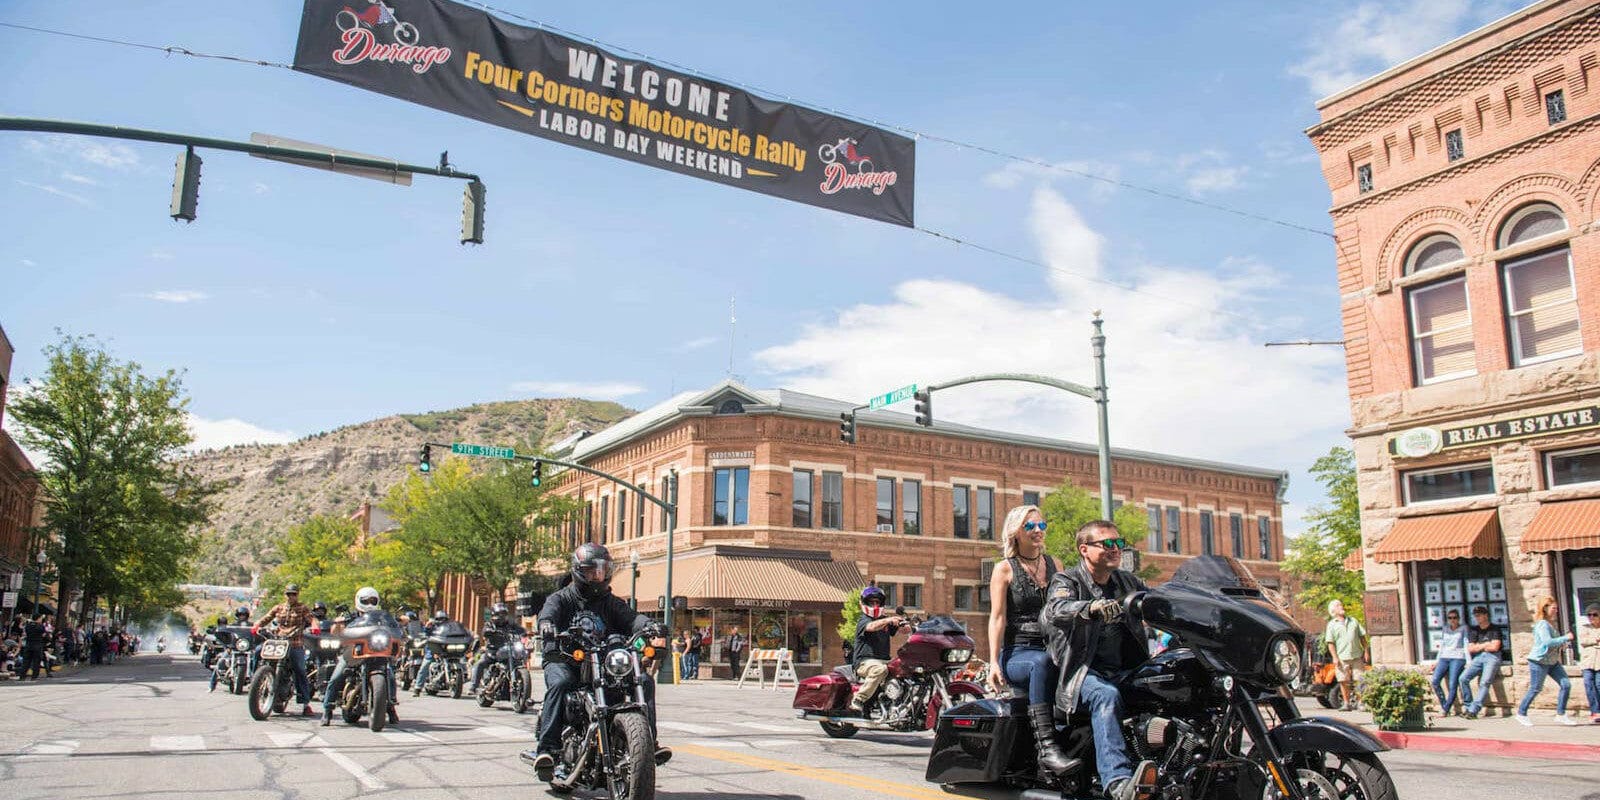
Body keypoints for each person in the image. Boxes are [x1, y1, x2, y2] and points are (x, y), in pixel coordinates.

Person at [523, 542, 668, 780]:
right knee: (561, 684)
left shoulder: (611, 602)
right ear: (578, 571)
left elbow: (631, 619)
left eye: (602, 570)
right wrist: (547, 625)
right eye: (592, 571)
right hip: (567, 658)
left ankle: (648, 743)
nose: (598, 576)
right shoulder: (562, 598)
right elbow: (548, 614)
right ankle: (547, 748)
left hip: (602, 661)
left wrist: (650, 625)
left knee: (643, 681)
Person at [1041, 520, 1156, 800]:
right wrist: (1089, 607)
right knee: (1106, 696)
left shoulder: (1127, 581)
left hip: (1125, 670)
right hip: (1082, 675)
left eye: (1119, 543)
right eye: (1107, 544)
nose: (1115, 549)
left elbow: (1157, 601)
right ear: (1084, 549)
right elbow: (1057, 608)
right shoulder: (1067, 581)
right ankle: (1117, 782)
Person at [985, 504, 1071, 775]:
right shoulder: (1004, 569)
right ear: (1015, 532)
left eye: (1041, 526)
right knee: (1041, 663)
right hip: (1017, 652)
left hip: (1054, 647)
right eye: (1030, 526)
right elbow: (997, 618)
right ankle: (1047, 749)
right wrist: (993, 663)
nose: (1037, 531)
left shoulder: (1056, 565)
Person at [321, 586, 399, 726]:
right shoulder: (349, 617)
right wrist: (338, 624)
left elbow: (395, 626)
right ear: (358, 601)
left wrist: (400, 624)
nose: (369, 603)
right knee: (336, 676)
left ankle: (390, 707)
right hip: (353, 652)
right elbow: (335, 632)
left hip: (377, 651)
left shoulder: (381, 617)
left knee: (391, 675)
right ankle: (327, 710)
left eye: (372, 600)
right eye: (366, 600)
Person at [254, 584, 316, 716]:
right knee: (258, 652)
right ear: (285, 595)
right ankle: (255, 681)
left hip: (295, 643)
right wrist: (257, 625)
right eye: (288, 594)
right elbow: (267, 618)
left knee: (300, 670)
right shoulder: (279, 607)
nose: (291, 597)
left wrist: (315, 626)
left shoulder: (302, 608)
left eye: (293, 594)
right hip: (278, 642)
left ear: (297, 594)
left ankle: (306, 704)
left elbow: (312, 619)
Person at [1516, 595, 1579, 726]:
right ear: (1545, 608)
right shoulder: (1542, 624)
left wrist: (1561, 644)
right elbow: (1547, 642)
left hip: (1552, 661)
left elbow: (1551, 643)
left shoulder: (1550, 624)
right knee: (1535, 688)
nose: (1556, 610)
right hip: (1539, 661)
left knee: (1565, 684)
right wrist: (1565, 637)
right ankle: (1521, 713)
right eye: (1553, 608)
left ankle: (1561, 714)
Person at [850, 585, 907, 712]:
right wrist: (889, 619)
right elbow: (871, 627)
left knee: (907, 668)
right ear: (865, 603)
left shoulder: (884, 620)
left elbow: (904, 631)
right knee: (879, 669)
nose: (875, 605)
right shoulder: (864, 620)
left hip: (885, 660)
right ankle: (859, 698)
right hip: (864, 662)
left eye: (877, 602)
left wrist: (906, 624)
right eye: (872, 602)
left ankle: (900, 702)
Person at [469, 602, 524, 693]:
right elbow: (485, 631)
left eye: (504, 614)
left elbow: (520, 630)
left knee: (518, 660)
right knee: (480, 663)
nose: (502, 616)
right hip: (493, 651)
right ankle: (473, 686)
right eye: (499, 614)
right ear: (494, 615)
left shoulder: (510, 624)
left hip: (508, 650)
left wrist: (523, 632)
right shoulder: (490, 624)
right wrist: (490, 631)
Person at [1323, 600, 1367, 711]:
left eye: (1341, 604)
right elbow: (1330, 643)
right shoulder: (1332, 625)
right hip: (1342, 657)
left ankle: (1361, 703)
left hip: (1357, 655)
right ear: (1333, 611)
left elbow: (1362, 637)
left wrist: (1366, 651)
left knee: (1360, 679)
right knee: (1343, 680)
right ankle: (1346, 703)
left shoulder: (1353, 621)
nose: (1341, 606)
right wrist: (1335, 657)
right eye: (1338, 605)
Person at [1431, 609, 1468, 716]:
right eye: (1450, 618)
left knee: (1453, 684)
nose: (1452, 620)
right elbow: (1442, 645)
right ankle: (1444, 705)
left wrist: (1468, 661)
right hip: (1444, 657)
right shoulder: (1445, 629)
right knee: (1435, 680)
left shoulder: (1463, 628)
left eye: (1455, 617)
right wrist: (1437, 661)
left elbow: (1465, 644)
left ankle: (1446, 709)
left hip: (1458, 657)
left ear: (1458, 619)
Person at [413, 610, 452, 696]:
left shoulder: (450, 627)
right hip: (433, 650)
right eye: (440, 619)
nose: (442, 621)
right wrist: (427, 627)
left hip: (446, 651)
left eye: (444, 619)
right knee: (425, 666)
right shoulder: (432, 626)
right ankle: (417, 688)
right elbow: (426, 634)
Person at [1577, 603, 1600, 724]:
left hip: (1599, 662)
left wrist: (1591, 642)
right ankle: (1595, 711)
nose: (1591, 617)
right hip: (1588, 662)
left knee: (1599, 685)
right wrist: (1596, 640)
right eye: (1589, 615)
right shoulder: (1585, 627)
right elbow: (1583, 641)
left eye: (1594, 614)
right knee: (1588, 685)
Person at [20, 614, 48, 680]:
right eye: (41, 618)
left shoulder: (28, 626)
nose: (41, 619)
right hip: (37, 645)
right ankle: (34, 676)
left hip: (28, 644)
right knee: (36, 661)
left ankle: (22, 676)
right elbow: (44, 634)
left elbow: (26, 633)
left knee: (26, 661)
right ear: (38, 618)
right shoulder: (40, 626)